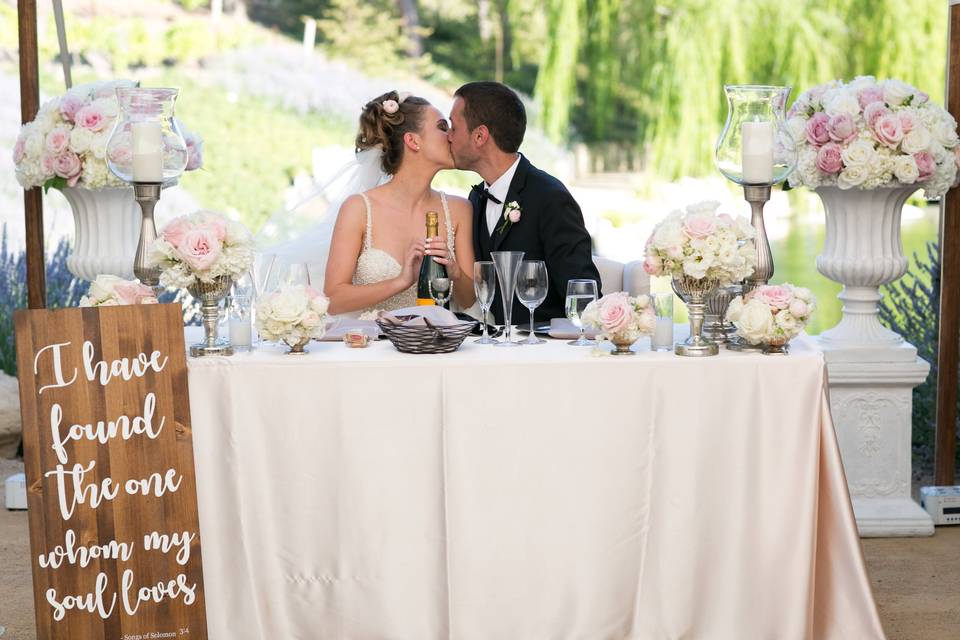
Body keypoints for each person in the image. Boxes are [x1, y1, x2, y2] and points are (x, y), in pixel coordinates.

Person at [268, 91, 476, 317]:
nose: (452, 136)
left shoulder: (459, 210)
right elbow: (334, 300)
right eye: (442, 127)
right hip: (372, 347)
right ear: (413, 141)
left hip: (437, 347)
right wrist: (401, 281)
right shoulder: (358, 209)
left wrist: (454, 271)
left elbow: (468, 301)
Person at [447, 81, 601, 324]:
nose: (448, 137)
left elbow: (583, 296)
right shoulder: (476, 198)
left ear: (479, 136)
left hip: (543, 350)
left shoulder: (550, 197)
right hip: (491, 348)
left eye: (453, 128)